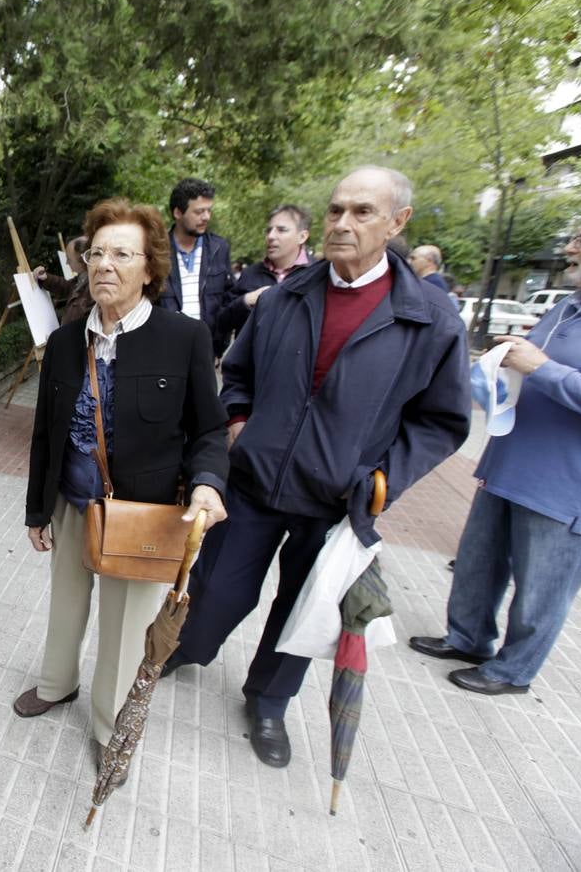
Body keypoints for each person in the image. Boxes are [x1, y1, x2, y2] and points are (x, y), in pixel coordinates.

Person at [162, 166, 471, 768]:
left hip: (336, 499)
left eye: (361, 212)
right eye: (335, 211)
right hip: (252, 483)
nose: (342, 224)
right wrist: (237, 421)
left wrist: (382, 481)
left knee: (302, 611)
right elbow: (240, 372)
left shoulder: (428, 319)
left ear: (397, 222)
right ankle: (185, 650)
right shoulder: (287, 296)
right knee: (216, 590)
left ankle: (270, 701)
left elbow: (442, 421)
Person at [14, 197, 228, 778]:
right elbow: (45, 435)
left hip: (143, 513)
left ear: (150, 268)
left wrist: (208, 483)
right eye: (98, 252)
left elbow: (209, 429)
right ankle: (57, 684)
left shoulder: (183, 338)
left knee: (124, 627)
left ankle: (110, 729)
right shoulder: (64, 342)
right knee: (66, 602)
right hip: (73, 501)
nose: (105, 264)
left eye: (123, 254)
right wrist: (39, 510)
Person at [409, 221, 581, 695]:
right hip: (509, 462)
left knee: (541, 590)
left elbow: (548, 372)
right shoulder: (567, 308)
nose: (570, 247)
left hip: (566, 488)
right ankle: (467, 638)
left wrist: (543, 369)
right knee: (478, 561)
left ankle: (513, 672)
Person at [157, 177, 234, 357]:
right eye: (199, 212)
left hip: (206, 351)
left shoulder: (219, 248)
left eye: (208, 210)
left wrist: (219, 348)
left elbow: (227, 300)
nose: (206, 217)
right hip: (166, 351)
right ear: (178, 212)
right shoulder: (157, 249)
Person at [218, 204, 313, 343]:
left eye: (281, 230)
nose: (271, 236)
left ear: (302, 236)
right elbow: (222, 320)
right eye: (269, 230)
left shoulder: (317, 275)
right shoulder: (250, 274)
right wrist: (245, 301)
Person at [35, 234, 94, 324]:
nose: (66, 263)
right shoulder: (83, 278)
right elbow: (67, 286)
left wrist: (61, 336)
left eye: (69, 259)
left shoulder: (96, 289)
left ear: (82, 261)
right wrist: (46, 278)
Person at [408, 244, 460, 309]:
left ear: (429, 260)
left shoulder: (433, 284)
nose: (409, 262)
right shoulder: (431, 281)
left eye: (413, 258)